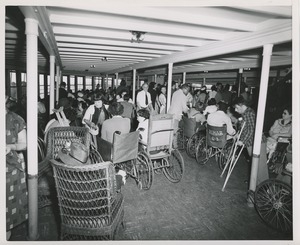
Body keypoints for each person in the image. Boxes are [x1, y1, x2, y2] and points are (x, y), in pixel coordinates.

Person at [5, 96, 28, 240]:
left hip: (10, 168)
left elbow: (24, 144)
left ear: (5, 98)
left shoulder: (16, 119)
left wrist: (10, 146)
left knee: (7, 208)